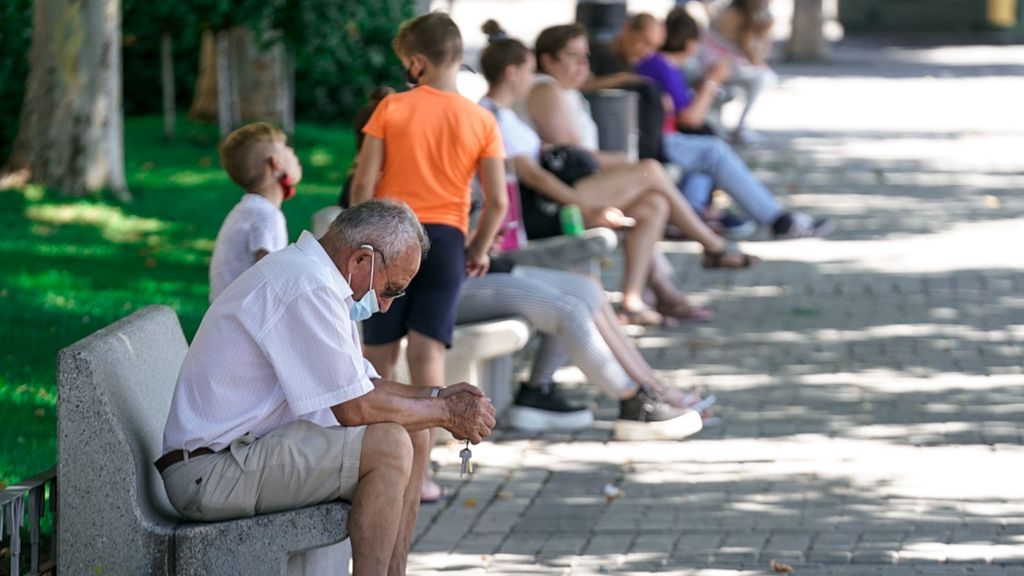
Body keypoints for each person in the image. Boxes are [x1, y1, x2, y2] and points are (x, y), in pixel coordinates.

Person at [158, 200, 497, 575]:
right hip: (209, 473)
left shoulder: (317, 279)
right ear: (360, 261)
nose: (385, 306)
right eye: (391, 290)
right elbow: (354, 408)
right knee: (389, 445)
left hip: (238, 456)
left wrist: (440, 397)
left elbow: (366, 386)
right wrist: (447, 413)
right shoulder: (305, 286)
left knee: (413, 432)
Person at [349, 12, 508, 503]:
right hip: (445, 241)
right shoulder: (482, 119)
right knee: (427, 361)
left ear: (416, 63)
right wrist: (478, 250)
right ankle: (421, 480)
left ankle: (373, 469)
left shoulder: (392, 108)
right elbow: (498, 202)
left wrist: (358, 242)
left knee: (377, 358)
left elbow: (361, 183)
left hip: (389, 239)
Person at [511, 22, 758, 324]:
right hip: (556, 199)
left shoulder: (563, 90)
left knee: (654, 204)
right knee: (650, 170)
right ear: (547, 60)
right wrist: (620, 160)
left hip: (575, 191)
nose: (582, 65)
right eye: (573, 57)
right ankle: (713, 246)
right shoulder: (546, 90)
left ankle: (633, 300)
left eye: (585, 56)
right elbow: (571, 159)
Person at [458, 252, 712, 440]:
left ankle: (653, 387)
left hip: (474, 263)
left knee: (585, 288)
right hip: (448, 279)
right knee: (569, 311)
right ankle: (634, 402)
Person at [637, 7, 834, 239]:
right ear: (691, 44)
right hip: (659, 140)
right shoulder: (662, 66)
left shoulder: (663, 65)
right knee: (713, 151)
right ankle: (777, 219)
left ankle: (694, 212)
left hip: (660, 137)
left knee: (708, 144)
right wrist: (711, 82)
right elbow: (690, 118)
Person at [208, 122, 301, 302]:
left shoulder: (247, 210)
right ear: (277, 164)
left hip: (228, 316)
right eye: (286, 148)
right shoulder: (266, 215)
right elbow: (272, 278)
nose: (292, 152)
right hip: (244, 323)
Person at [582, 13, 668, 161]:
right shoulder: (598, 52)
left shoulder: (629, 64)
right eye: (645, 41)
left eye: (654, 47)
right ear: (628, 28)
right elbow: (582, 86)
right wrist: (621, 79)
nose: (647, 52)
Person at [703, 0, 778, 143]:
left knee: (764, 76)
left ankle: (739, 126)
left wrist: (763, 33)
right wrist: (760, 32)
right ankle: (741, 127)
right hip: (715, 67)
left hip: (724, 67)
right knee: (763, 78)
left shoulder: (753, 17)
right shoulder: (733, 16)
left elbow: (758, 58)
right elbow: (754, 57)